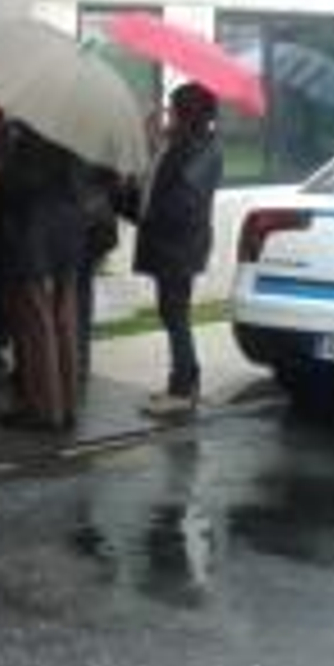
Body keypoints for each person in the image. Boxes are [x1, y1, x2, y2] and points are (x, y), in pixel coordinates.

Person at [129, 82, 223, 420]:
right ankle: (184, 380)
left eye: (173, 110)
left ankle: (182, 388)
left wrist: (145, 214)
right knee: (173, 313)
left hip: (177, 245)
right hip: (176, 243)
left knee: (174, 314)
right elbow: (158, 185)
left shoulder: (196, 149)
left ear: (188, 115)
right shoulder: (187, 145)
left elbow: (180, 201)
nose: (168, 115)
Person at [0, 124, 85, 432]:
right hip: (69, 236)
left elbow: (20, 186)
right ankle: (67, 405)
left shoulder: (30, 139)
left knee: (38, 324)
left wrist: (0, 171)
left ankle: (46, 410)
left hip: (36, 236)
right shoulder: (75, 135)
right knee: (64, 322)